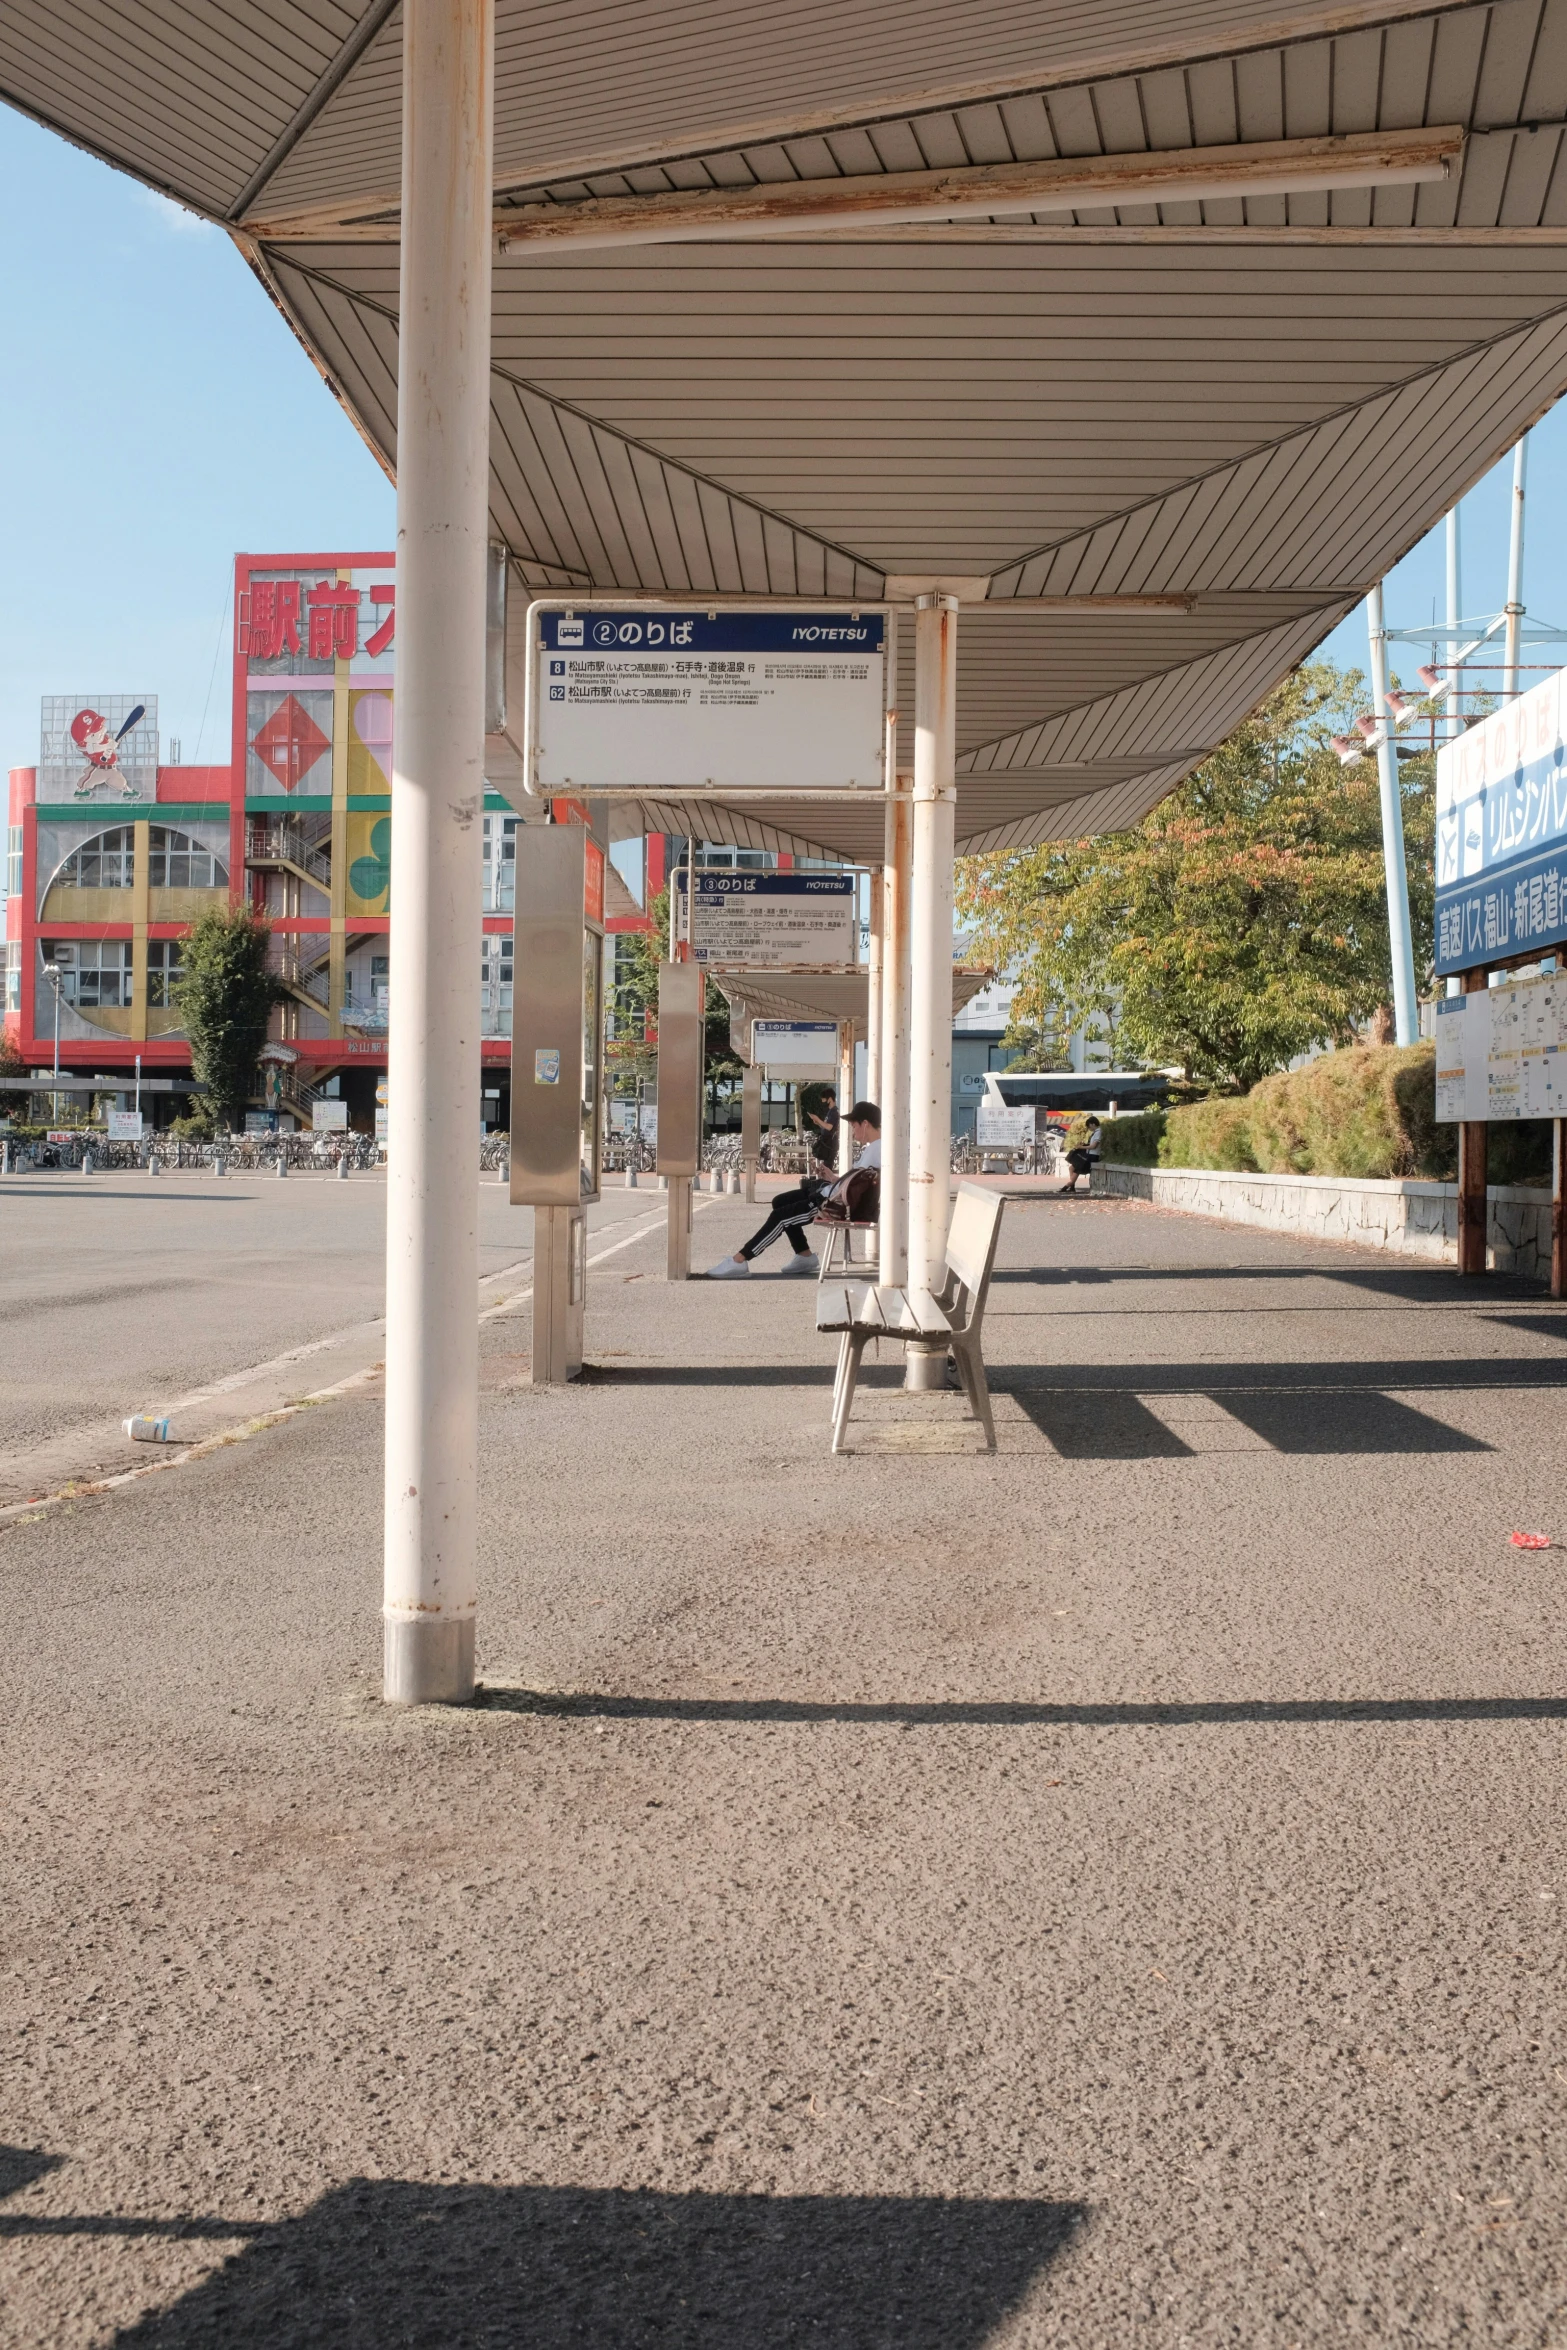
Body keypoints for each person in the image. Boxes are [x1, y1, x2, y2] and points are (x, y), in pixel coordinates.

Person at [708, 1101, 880, 1278]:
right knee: (780, 1202)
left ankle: (740, 1260)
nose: (853, 1132)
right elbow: (854, 1184)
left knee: (781, 1216)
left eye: (854, 1126)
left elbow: (854, 1189)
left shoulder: (877, 1150)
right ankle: (804, 1255)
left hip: (832, 1204)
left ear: (865, 1124)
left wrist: (833, 1184)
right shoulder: (875, 1149)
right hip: (833, 1194)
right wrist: (831, 1178)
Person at [1058, 1115, 1101, 1195]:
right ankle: (1072, 1187)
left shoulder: (1098, 1132)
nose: (1089, 1128)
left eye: (1089, 1126)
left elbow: (1093, 1146)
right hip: (1089, 1154)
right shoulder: (1095, 1132)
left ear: (1093, 1124)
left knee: (1077, 1168)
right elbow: (1091, 1144)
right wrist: (1084, 1144)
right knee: (1071, 1167)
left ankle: (1067, 1186)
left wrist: (1081, 1147)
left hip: (1093, 1156)